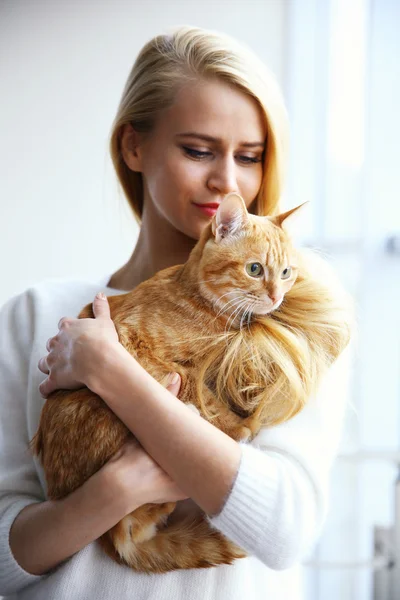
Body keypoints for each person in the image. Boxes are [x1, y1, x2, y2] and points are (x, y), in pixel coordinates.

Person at [0, 26, 350, 600]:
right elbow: (4, 558)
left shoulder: (298, 309)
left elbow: (285, 530)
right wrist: (116, 489)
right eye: (198, 150)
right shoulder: (35, 316)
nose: (227, 180)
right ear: (133, 147)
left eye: (251, 157)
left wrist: (111, 372)